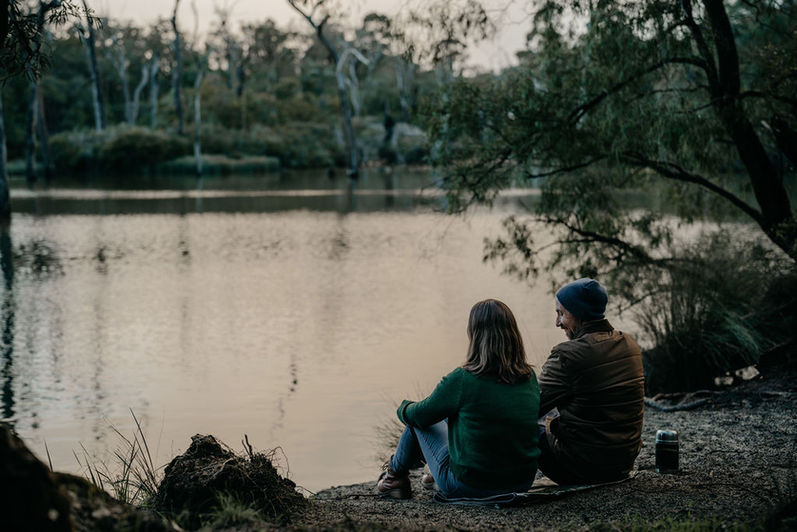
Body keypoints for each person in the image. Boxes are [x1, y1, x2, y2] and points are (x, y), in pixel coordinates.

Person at [377, 299, 540, 499]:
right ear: (513, 333)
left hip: (470, 485)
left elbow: (418, 417)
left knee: (418, 422)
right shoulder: (529, 377)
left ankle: (394, 477)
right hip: (521, 482)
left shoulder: (463, 379)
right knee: (452, 416)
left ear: (474, 335)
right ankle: (430, 475)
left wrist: (404, 407)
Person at [537, 278, 645, 485]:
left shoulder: (568, 355)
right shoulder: (630, 345)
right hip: (622, 463)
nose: (557, 323)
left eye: (561, 314)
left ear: (578, 314)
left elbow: (529, 407)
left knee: (524, 425)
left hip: (582, 468)